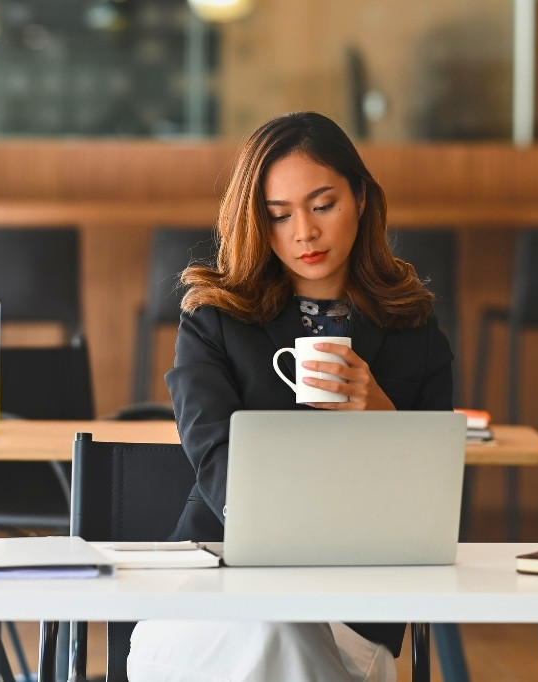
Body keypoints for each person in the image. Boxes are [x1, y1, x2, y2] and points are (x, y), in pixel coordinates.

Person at [126, 111, 454, 682]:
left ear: (360, 198)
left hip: (353, 614)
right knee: (273, 627)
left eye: (323, 205)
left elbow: (433, 503)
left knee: (285, 635)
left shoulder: (413, 331)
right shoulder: (214, 322)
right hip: (213, 590)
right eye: (279, 216)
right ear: (257, 222)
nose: (303, 233)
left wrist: (381, 415)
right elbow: (213, 454)